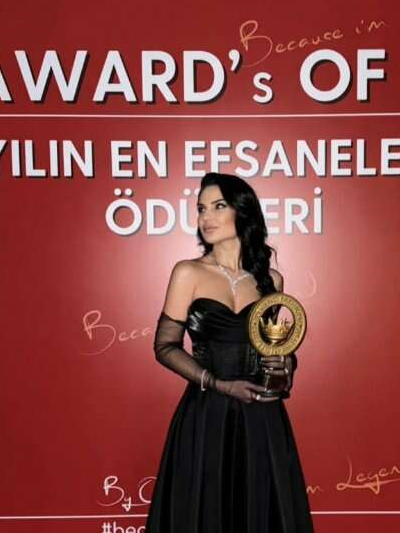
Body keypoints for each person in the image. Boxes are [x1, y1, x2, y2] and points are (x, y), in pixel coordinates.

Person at [144, 172, 315, 532]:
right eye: (201, 208)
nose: (206, 217)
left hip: (261, 415)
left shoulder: (271, 280)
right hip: (208, 413)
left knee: (260, 511)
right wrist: (219, 384)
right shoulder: (188, 272)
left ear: (242, 211)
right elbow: (164, 346)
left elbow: (273, 346)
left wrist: (285, 365)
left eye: (218, 206)